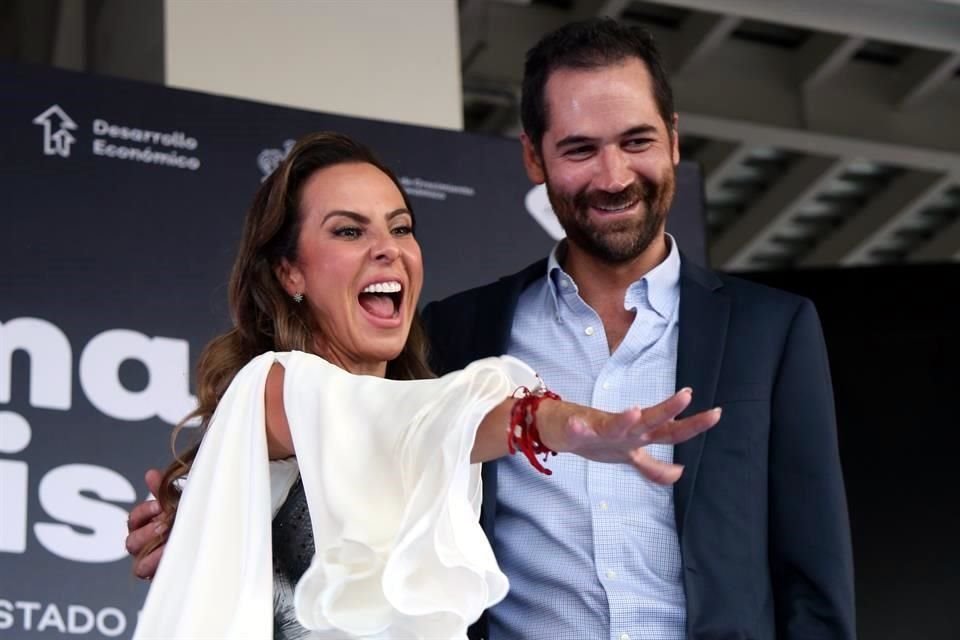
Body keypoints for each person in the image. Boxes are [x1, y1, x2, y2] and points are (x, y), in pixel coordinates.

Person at [128, 131, 720, 639]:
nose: (387, 249)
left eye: (400, 227)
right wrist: (551, 421)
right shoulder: (273, 386)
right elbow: (395, 420)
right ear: (290, 272)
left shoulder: (432, 442)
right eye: (348, 232)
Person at [421, 18, 855, 640]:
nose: (614, 176)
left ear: (674, 140)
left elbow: (815, 575)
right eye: (579, 149)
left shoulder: (773, 330)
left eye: (636, 141)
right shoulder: (459, 332)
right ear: (532, 156)